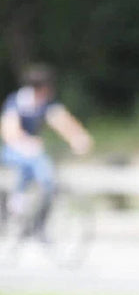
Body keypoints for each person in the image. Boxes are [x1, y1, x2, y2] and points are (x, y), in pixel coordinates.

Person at [0, 64, 92, 235]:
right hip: (13, 150)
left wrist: (78, 138)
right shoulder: (17, 101)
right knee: (33, 166)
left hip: (33, 151)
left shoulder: (46, 104)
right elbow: (9, 130)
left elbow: (63, 122)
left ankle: (39, 224)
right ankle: (16, 203)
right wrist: (26, 141)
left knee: (48, 181)